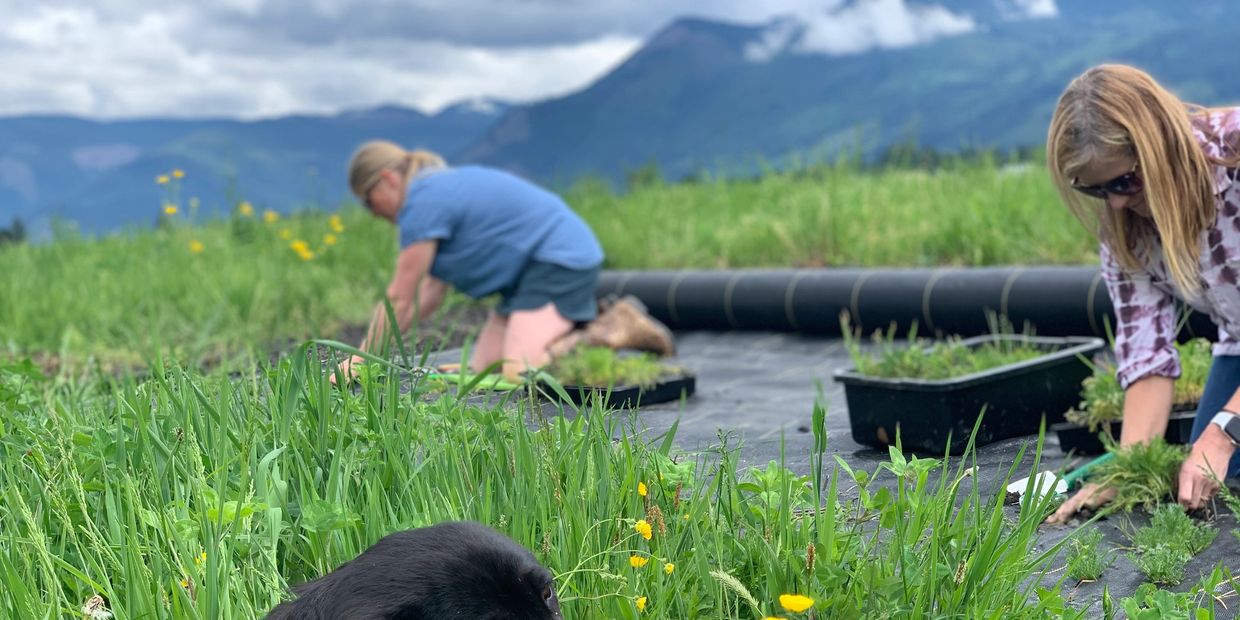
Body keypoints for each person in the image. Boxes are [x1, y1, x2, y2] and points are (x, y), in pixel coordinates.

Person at [1044, 64, 1240, 523]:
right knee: (1202, 474)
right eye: (1095, 189)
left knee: (1218, 440)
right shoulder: (1125, 232)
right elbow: (1146, 354)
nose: (1114, 203)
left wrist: (1226, 430)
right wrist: (1129, 470)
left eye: (1124, 182)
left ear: (1159, 148)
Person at [335, 141, 673, 383]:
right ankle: (567, 326)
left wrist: (361, 359)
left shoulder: (422, 204)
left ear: (387, 180)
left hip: (556, 261)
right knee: (486, 368)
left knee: (520, 371)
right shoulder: (435, 191)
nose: (373, 213)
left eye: (368, 201)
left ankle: (608, 328)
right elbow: (430, 292)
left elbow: (400, 298)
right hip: (525, 275)